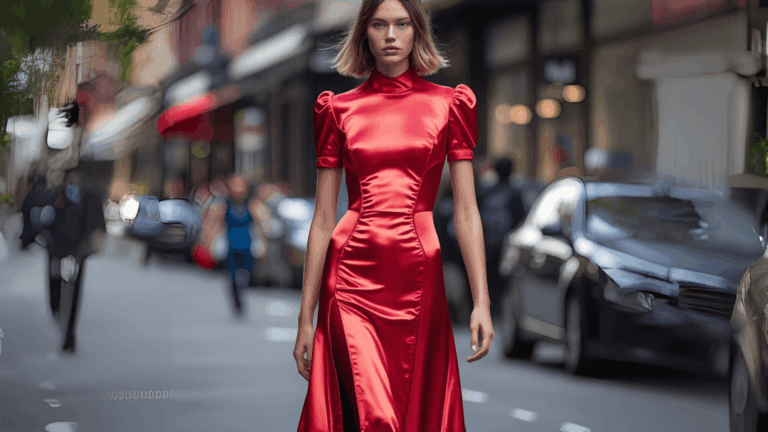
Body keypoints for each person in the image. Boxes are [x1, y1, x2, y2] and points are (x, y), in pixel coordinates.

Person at [293, 1, 494, 430]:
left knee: (412, 412)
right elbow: (324, 219)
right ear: (364, 32)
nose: (390, 35)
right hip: (349, 280)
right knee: (374, 415)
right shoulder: (336, 109)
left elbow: (466, 211)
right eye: (379, 24)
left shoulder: (449, 104)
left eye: (401, 24)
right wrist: (305, 318)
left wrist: (482, 301)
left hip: (419, 276)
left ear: (417, 32)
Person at [476, 157, 525, 318]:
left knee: (489, 278)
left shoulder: (486, 191)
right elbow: (521, 217)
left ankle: (491, 308)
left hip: (488, 243)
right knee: (506, 279)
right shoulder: (515, 192)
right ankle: (503, 309)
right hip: (507, 244)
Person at [223, 173, 253, 316]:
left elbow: (262, 222)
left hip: (247, 247)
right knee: (233, 278)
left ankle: (241, 296)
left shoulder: (251, 204)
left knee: (245, 277)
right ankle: (236, 303)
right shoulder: (225, 205)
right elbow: (215, 223)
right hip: (231, 247)